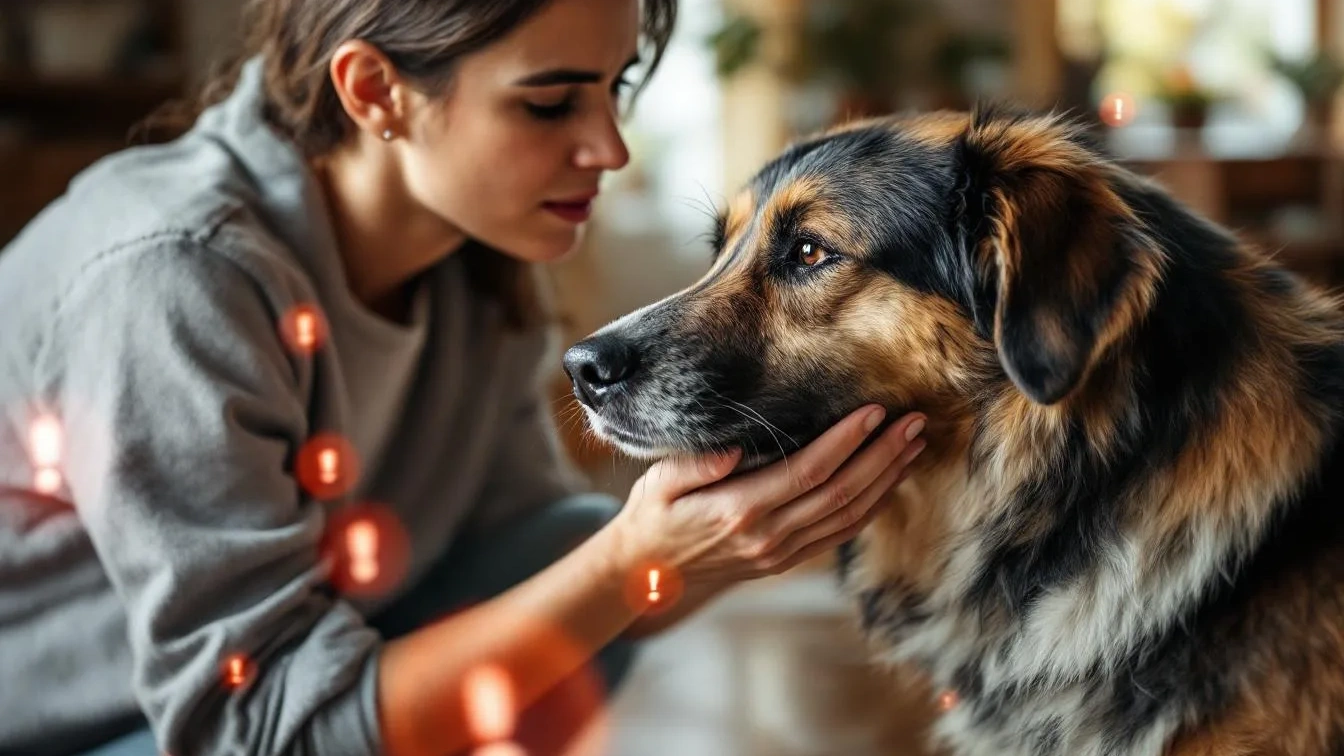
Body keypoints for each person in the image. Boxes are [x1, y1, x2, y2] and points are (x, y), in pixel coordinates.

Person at [0, 0, 929, 754]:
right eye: (549, 103)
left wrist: (749, 531)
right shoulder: (174, 275)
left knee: (566, 567)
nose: (609, 148)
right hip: (117, 727)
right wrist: (632, 562)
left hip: (321, 656)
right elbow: (254, 729)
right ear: (376, 92)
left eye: (614, 89)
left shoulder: (471, 254)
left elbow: (530, 551)